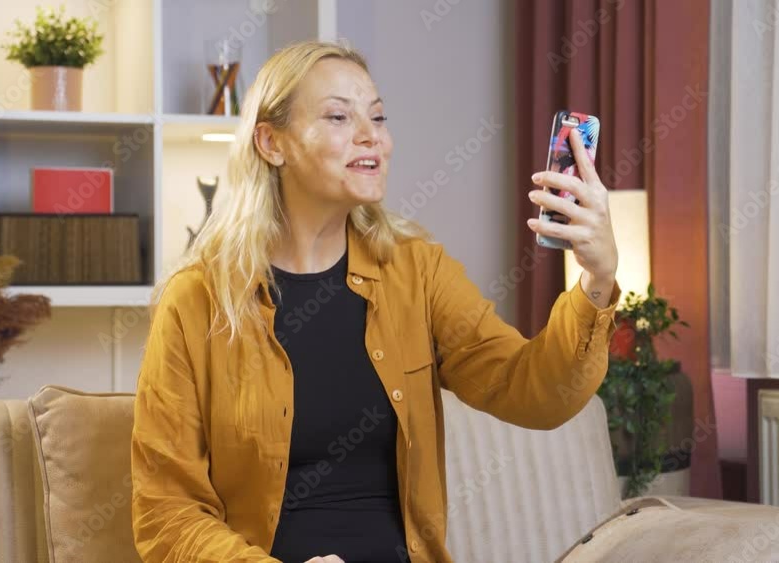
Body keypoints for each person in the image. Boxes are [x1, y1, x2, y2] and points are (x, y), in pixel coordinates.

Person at [130, 40, 620, 563]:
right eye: (339, 116)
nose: (372, 136)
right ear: (271, 143)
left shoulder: (417, 272)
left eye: (378, 117)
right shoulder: (196, 301)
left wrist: (598, 277)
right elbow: (166, 511)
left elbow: (532, 392)